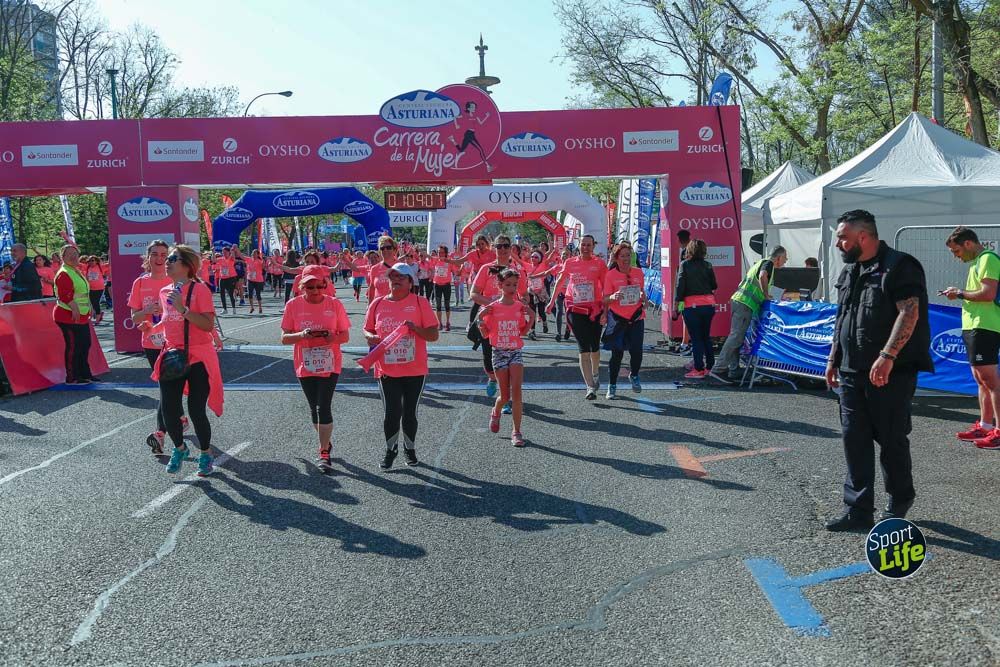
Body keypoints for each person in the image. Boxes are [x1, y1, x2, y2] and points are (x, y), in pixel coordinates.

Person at [824, 210, 932, 531]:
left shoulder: (899, 266)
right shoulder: (850, 271)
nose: (838, 243)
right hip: (851, 373)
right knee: (854, 440)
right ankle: (858, 511)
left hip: (891, 374)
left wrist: (888, 355)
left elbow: (908, 312)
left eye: (843, 237)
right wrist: (832, 359)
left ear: (863, 237)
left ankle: (899, 499)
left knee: (891, 439)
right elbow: (842, 318)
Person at [153, 245, 224, 477]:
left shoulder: (199, 290)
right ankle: (180, 448)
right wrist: (154, 331)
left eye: (173, 258)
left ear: (187, 265)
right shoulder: (164, 292)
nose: (167, 262)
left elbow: (206, 325)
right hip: (172, 355)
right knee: (169, 410)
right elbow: (168, 322)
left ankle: (205, 453)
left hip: (199, 357)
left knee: (196, 409)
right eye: (167, 259)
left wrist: (183, 309)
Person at [363, 262, 439, 469]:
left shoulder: (420, 302)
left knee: (410, 412)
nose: (396, 280)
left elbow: (433, 335)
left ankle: (410, 448)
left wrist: (415, 329)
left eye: (401, 277)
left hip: (415, 369)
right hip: (387, 369)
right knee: (391, 412)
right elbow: (367, 330)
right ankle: (390, 450)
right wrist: (373, 338)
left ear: (410, 281)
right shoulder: (377, 304)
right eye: (393, 277)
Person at [281, 264, 351, 468]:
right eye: (310, 287)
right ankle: (326, 443)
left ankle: (323, 453)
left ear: (325, 285)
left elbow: (345, 335)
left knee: (323, 406)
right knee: (314, 408)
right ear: (302, 287)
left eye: (319, 287)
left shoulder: (334, 304)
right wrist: (301, 335)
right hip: (305, 363)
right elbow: (284, 338)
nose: (315, 291)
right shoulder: (293, 305)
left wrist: (332, 337)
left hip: (330, 363)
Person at [942, 226, 1000, 448]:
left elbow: (988, 294)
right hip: (974, 325)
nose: (956, 257)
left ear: (968, 244)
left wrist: (960, 294)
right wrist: (960, 293)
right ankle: (985, 427)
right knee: (981, 380)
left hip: (986, 326)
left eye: (956, 251)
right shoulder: (977, 262)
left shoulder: (988, 258)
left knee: (990, 380)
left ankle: (998, 431)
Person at [128, 240, 186, 455]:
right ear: (148, 257)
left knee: (170, 389)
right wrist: (146, 311)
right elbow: (134, 317)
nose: (160, 259)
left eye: (164, 255)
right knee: (165, 389)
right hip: (152, 344)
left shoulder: (175, 280)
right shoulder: (140, 283)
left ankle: (173, 421)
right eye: (155, 254)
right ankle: (163, 431)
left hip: (175, 342)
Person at [477, 268, 534, 447]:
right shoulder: (493, 308)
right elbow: (486, 335)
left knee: (517, 392)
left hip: (515, 351)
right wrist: (480, 321)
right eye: (508, 284)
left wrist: (531, 318)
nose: (512, 288)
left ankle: (516, 432)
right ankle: (496, 411)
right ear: (500, 285)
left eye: (515, 285)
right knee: (505, 394)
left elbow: (522, 332)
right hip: (499, 352)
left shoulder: (519, 307)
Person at [547, 235, 607, 400]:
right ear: (579, 246)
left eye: (589, 245)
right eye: (583, 244)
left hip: (594, 309)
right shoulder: (570, 262)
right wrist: (551, 302)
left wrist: (605, 311)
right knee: (583, 347)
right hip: (575, 308)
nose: (586, 247)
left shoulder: (599, 264)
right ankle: (589, 386)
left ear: (593, 246)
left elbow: (607, 289)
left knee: (594, 347)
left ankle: (595, 373)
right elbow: (560, 281)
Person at [716, 246, 788, 381]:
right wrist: (766, 295)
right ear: (778, 258)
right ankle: (719, 369)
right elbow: (762, 276)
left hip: (741, 301)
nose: (785, 261)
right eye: (785, 258)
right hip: (745, 303)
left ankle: (733, 369)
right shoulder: (768, 263)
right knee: (736, 336)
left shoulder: (762, 262)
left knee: (737, 337)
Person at [471, 235, 528, 398]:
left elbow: (524, 294)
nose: (502, 249)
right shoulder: (485, 269)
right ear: (494, 248)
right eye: (499, 246)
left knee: (511, 360)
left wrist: (522, 302)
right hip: (489, 320)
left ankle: (507, 397)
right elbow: (473, 293)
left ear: (511, 248)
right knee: (489, 359)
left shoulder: (518, 270)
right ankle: (492, 378)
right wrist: (491, 302)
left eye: (505, 246)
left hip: (510, 321)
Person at [603, 242, 647, 398]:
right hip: (618, 318)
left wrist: (644, 299)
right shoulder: (610, 275)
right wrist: (613, 297)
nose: (626, 259)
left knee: (637, 351)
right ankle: (612, 385)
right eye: (622, 256)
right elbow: (605, 299)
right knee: (617, 354)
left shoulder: (638, 273)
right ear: (616, 258)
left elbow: (643, 294)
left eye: (628, 255)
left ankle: (634, 375)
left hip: (636, 317)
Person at [674, 239, 718, 380]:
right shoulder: (708, 265)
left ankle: (698, 368)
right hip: (709, 305)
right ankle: (710, 367)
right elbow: (714, 285)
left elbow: (680, 287)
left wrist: (676, 306)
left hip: (692, 306)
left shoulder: (685, 265)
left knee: (696, 338)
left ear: (689, 250)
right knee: (706, 337)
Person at [52, 244, 95, 384]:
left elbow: (83, 293)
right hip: (67, 316)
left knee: (85, 344)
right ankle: (72, 377)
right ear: (63, 257)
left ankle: (85, 374)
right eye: (69, 254)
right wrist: (75, 309)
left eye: (75, 253)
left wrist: (90, 307)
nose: (73, 256)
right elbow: (65, 295)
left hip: (81, 316)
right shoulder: (64, 272)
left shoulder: (75, 270)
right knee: (73, 347)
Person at [429, 245, 454, 331]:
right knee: (438, 305)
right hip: (437, 285)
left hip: (446, 285)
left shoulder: (449, 261)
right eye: (439, 252)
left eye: (442, 252)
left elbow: (455, 270)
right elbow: (428, 257)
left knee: (447, 305)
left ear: (446, 253)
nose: (440, 254)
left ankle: (447, 322)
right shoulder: (435, 260)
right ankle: (439, 323)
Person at [367, 237, 398, 303]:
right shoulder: (374, 268)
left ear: (394, 250)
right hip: (379, 307)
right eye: (382, 248)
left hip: (397, 307)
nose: (385, 250)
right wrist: (370, 306)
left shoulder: (401, 266)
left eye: (388, 247)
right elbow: (372, 288)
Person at [83, 256, 106, 323]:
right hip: (90, 288)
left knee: (96, 302)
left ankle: (98, 317)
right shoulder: (87, 267)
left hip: (99, 288)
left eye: (92, 260)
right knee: (93, 303)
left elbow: (110, 264)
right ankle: (99, 313)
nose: (91, 262)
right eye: (89, 261)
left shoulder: (100, 267)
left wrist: (110, 252)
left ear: (96, 261)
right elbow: (77, 264)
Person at [215, 246, 238, 312]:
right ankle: (225, 309)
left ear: (228, 252)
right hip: (222, 278)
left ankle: (234, 308)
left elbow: (233, 257)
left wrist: (232, 251)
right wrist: (213, 252)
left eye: (225, 252)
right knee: (222, 294)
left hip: (230, 278)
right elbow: (214, 260)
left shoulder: (231, 258)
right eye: (223, 252)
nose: (223, 253)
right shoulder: (220, 259)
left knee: (230, 293)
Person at [245, 249, 266, 314]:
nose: (253, 254)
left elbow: (263, 267)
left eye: (255, 253)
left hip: (258, 280)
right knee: (249, 293)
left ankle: (260, 307)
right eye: (252, 253)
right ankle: (252, 307)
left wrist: (263, 261)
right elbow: (241, 256)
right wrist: (236, 250)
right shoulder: (249, 259)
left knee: (258, 294)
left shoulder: (260, 261)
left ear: (257, 255)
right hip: (250, 279)